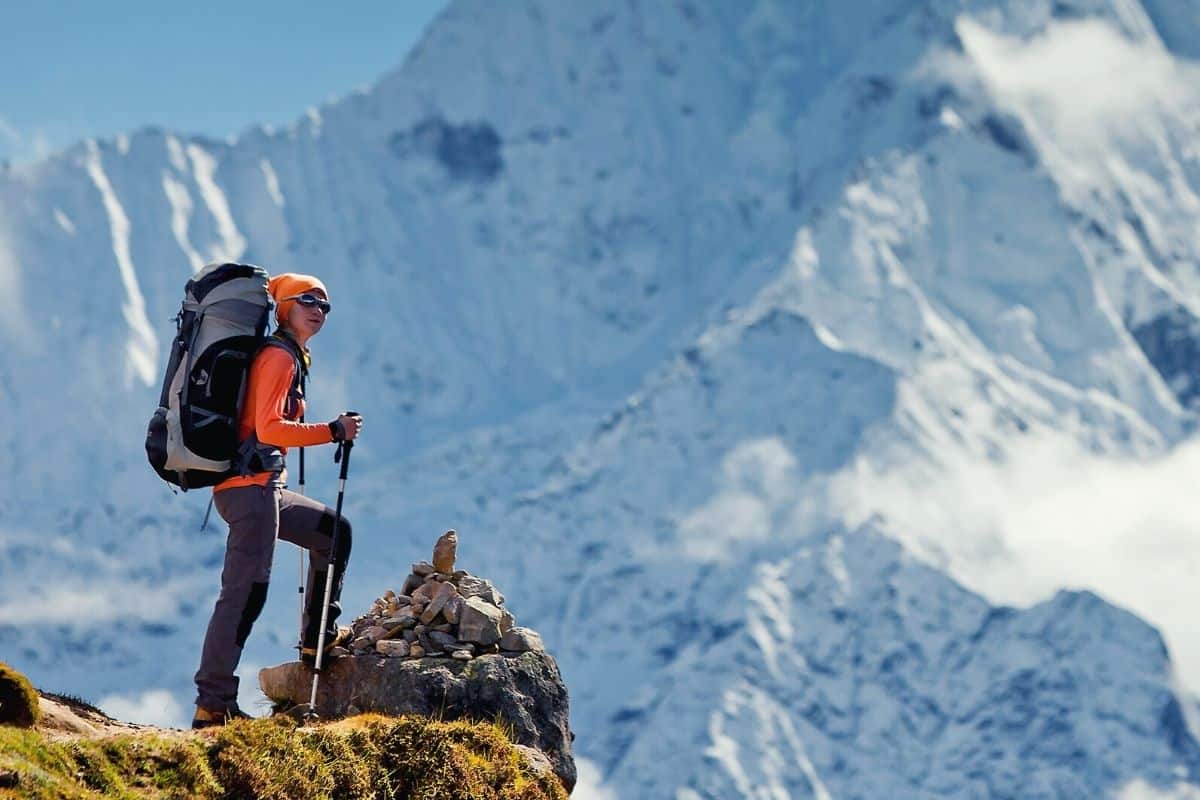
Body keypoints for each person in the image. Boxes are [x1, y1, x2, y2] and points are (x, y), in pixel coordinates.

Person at [192, 272, 364, 729]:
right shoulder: (278, 357)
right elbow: (269, 429)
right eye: (308, 300)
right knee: (244, 594)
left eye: (325, 305)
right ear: (284, 306)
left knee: (333, 533)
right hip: (251, 490)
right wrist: (332, 431)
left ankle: (316, 642)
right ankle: (213, 703)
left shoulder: (288, 355)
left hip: (259, 488)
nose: (318, 310)